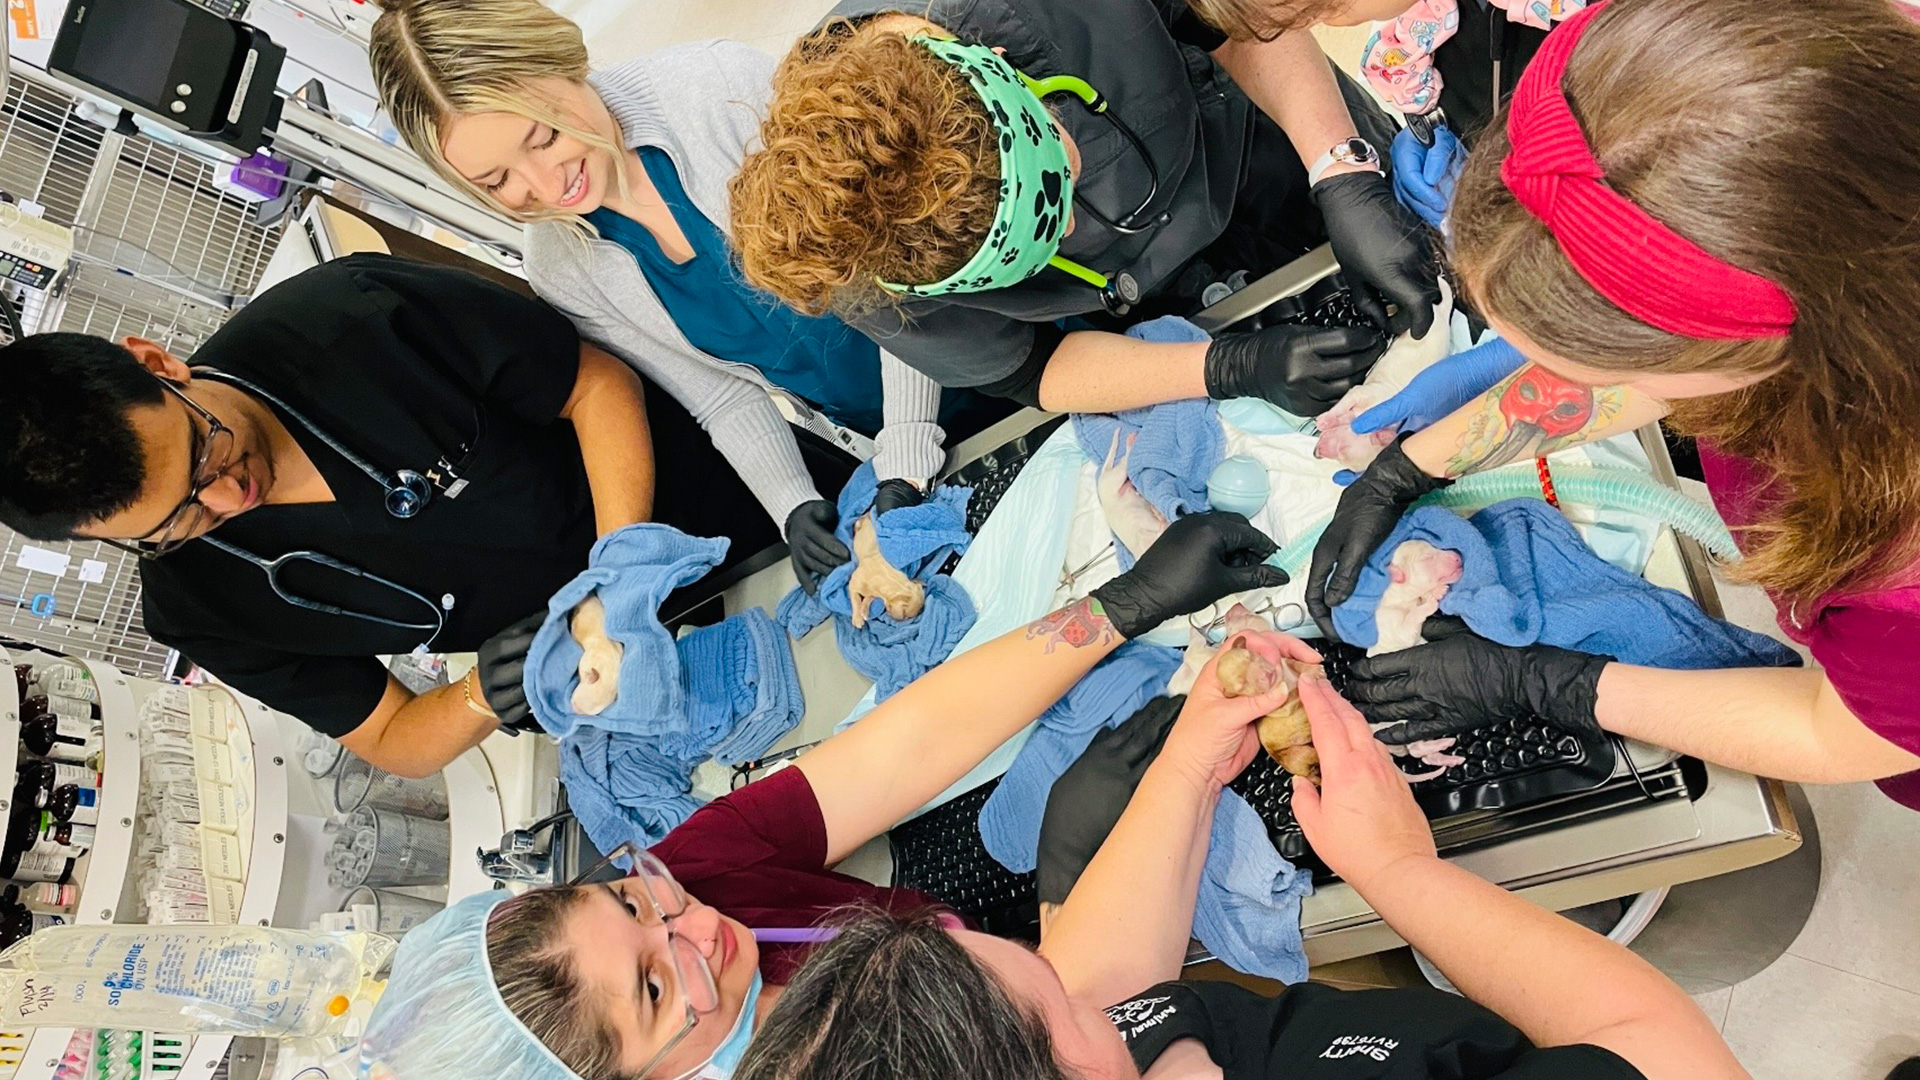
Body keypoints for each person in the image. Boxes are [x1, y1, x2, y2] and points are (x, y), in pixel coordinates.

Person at [357, 512, 1289, 1080]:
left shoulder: (695, 882)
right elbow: (1078, 1042)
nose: (696, 930)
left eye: (628, 897)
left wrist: (1121, 606)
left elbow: (902, 748)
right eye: (652, 985)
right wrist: (1069, 887)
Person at [1303, 0, 1920, 808]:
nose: (1572, 385)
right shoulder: (1820, 97)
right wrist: (1409, 466)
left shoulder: (1900, 586)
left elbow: (1837, 733)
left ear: (1762, 355)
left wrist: (1551, 682)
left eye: (1597, 367)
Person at [732, 638, 1748, 1080]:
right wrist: (1401, 873)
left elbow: (1101, 985)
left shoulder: (1070, 1042)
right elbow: (1653, 1047)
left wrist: (1188, 763)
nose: (1090, 981)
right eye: (1059, 997)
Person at [0, 254, 779, 776]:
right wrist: (484, 695)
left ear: (157, 365)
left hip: (746, 525)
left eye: (206, 456)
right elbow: (390, 736)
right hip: (620, 689)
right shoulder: (198, 609)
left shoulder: (349, 318)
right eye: (174, 525)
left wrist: (622, 573)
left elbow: (595, 386)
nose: (228, 500)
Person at [368, 0, 994, 595]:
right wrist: (792, 503)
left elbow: (887, 266)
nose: (544, 185)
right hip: (883, 431)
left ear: (567, 61)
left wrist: (909, 447)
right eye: (497, 180)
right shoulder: (562, 266)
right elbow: (721, 395)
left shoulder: (721, 93)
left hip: (991, 339)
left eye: (544, 136)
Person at [726, 1, 1438, 416]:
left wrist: (1341, 172)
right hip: (1157, 312)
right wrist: (1226, 368)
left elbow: (1243, 18)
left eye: (1057, 184)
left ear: (1000, 63)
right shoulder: (857, 245)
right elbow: (1030, 369)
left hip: (1270, 138)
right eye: (1037, 248)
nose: (1075, 229)